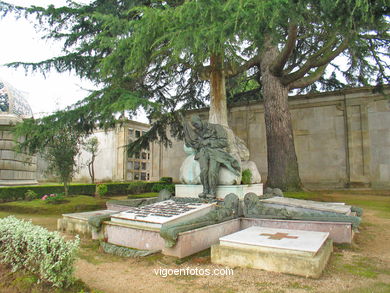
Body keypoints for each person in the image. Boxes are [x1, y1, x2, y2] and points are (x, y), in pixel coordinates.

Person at [183, 115, 240, 199]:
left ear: (200, 120)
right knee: (204, 170)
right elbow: (194, 144)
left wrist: (209, 142)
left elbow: (224, 142)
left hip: (215, 152)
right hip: (203, 152)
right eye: (194, 125)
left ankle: (212, 192)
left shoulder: (216, 127)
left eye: (196, 124)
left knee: (212, 171)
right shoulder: (197, 133)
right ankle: (205, 190)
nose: (196, 126)